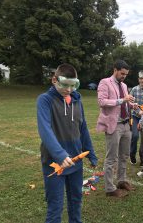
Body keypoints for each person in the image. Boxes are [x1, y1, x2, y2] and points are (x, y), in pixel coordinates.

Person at [37, 63, 98, 223]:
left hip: (76, 162)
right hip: (54, 164)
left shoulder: (77, 100)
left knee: (76, 201)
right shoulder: (45, 100)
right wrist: (59, 154)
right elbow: (45, 130)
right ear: (54, 80)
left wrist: (90, 152)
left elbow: (83, 128)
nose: (69, 90)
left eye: (73, 86)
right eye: (65, 85)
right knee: (55, 206)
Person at [96, 59, 136, 197]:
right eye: (122, 73)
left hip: (126, 124)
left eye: (126, 74)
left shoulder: (124, 86)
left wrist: (132, 105)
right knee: (111, 157)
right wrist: (122, 100)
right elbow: (102, 102)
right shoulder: (105, 82)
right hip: (113, 125)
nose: (124, 76)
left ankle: (121, 181)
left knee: (124, 155)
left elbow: (124, 104)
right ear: (115, 70)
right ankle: (109, 189)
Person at [129, 70, 143, 165]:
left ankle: (142, 158)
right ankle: (132, 154)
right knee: (135, 136)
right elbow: (130, 102)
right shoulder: (134, 89)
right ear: (138, 79)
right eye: (141, 78)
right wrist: (138, 111)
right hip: (136, 117)